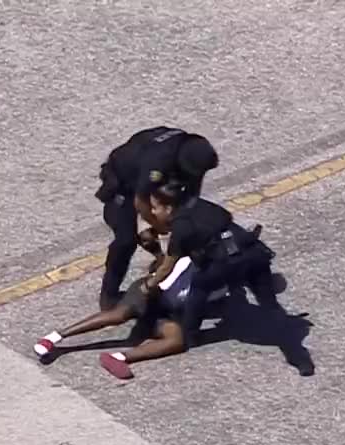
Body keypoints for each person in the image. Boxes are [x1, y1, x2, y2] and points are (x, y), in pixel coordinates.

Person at [139, 180, 314, 376]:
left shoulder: (181, 228)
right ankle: (300, 359)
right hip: (253, 256)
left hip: (224, 266)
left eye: (155, 208)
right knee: (271, 306)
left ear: (169, 207)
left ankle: (189, 334)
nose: (153, 213)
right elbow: (225, 218)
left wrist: (149, 285)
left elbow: (167, 266)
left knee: (199, 287)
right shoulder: (202, 205)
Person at [32, 228, 227, 379]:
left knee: (177, 340)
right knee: (119, 315)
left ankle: (119, 357)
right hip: (148, 293)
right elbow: (160, 284)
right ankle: (54, 338)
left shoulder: (217, 280)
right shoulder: (185, 264)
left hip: (166, 311)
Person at [94, 126, 219, 311]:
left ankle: (172, 263)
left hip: (156, 177)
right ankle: (108, 296)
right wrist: (159, 225)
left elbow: (194, 184)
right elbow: (140, 200)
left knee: (185, 223)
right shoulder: (159, 162)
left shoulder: (194, 149)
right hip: (124, 184)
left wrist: (185, 215)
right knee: (125, 240)